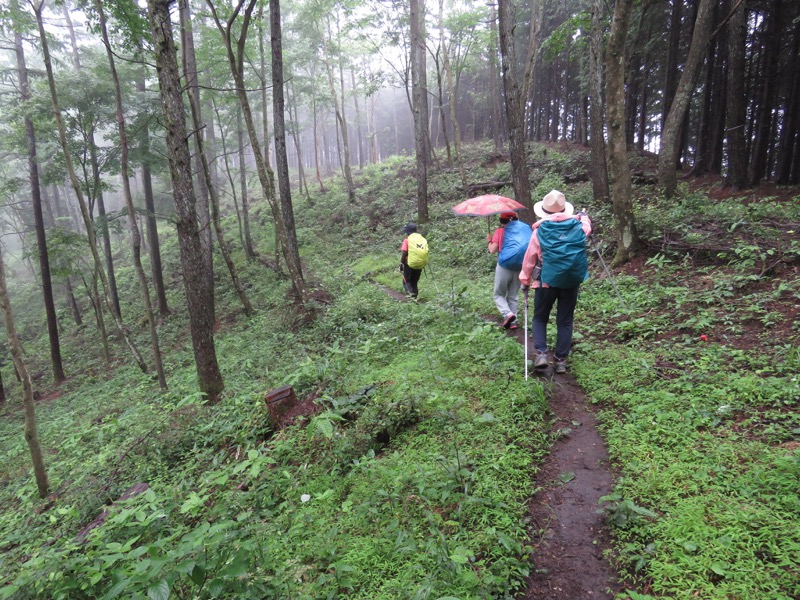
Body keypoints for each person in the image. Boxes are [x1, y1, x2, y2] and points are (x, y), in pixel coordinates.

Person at [519, 190, 591, 374]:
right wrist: (583, 216)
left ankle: (541, 354)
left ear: (544, 211)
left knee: (540, 317)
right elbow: (587, 227)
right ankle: (560, 361)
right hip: (571, 281)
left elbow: (530, 259)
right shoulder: (578, 226)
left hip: (546, 282)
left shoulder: (539, 231)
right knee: (565, 320)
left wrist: (524, 280)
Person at [487, 211, 530, 330]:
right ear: (515, 218)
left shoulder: (500, 231)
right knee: (513, 295)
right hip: (520, 266)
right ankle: (513, 322)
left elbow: (492, 250)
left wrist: (489, 241)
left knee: (498, 294)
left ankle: (508, 314)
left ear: (502, 221)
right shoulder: (524, 229)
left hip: (504, 266)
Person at [400, 223, 423, 298]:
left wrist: (401, 263)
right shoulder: (421, 240)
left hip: (409, 264)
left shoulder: (407, 240)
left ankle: (412, 298)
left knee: (406, 281)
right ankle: (415, 297)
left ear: (408, 232)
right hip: (420, 263)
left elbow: (404, 252)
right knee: (414, 282)